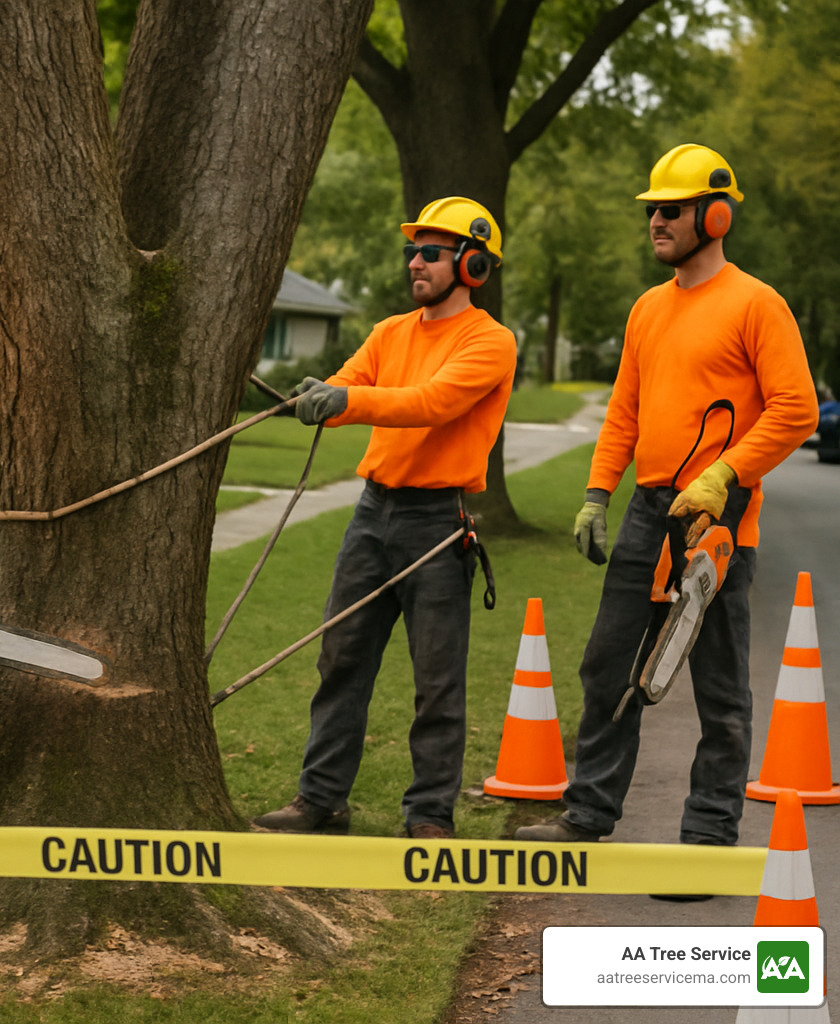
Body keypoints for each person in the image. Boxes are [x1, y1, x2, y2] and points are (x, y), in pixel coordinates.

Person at [516, 145, 818, 861]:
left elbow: (797, 408)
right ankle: (587, 814)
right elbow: (624, 411)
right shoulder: (647, 309)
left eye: (671, 209)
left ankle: (708, 837)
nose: (656, 220)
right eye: (652, 209)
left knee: (718, 686)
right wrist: (598, 494)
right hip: (647, 516)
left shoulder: (757, 303)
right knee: (607, 666)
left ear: (715, 217)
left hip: (719, 520)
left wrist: (726, 473)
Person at [252, 197, 516, 841]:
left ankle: (429, 815)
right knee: (340, 659)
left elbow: (431, 402)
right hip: (372, 515)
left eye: (431, 253)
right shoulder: (390, 332)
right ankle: (321, 800)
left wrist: (347, 398)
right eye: (411, 252)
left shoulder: (490, 341)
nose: (415, 263)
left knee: (437, 679)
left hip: (438, 523)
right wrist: (319, 395)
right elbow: (349, 383)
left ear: (473, 264)